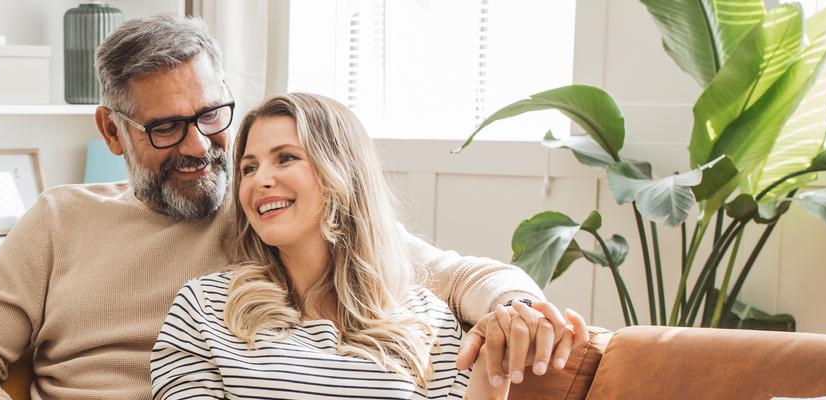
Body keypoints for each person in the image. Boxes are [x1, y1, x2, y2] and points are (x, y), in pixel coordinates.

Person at [0, 14, 587, 399]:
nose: (200, 147)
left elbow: (443, 272)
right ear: (112, 131)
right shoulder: (61, 220)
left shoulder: (275, 214)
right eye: (166, 128)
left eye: (211, 115)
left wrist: (518, 308)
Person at [152, 93, 579, 399]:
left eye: (286, 158)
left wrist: (493, 368)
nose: (260, 179)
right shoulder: (205, 308)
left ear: (342, 173)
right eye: (249, 167)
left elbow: (470, 276)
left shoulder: (426, 322)